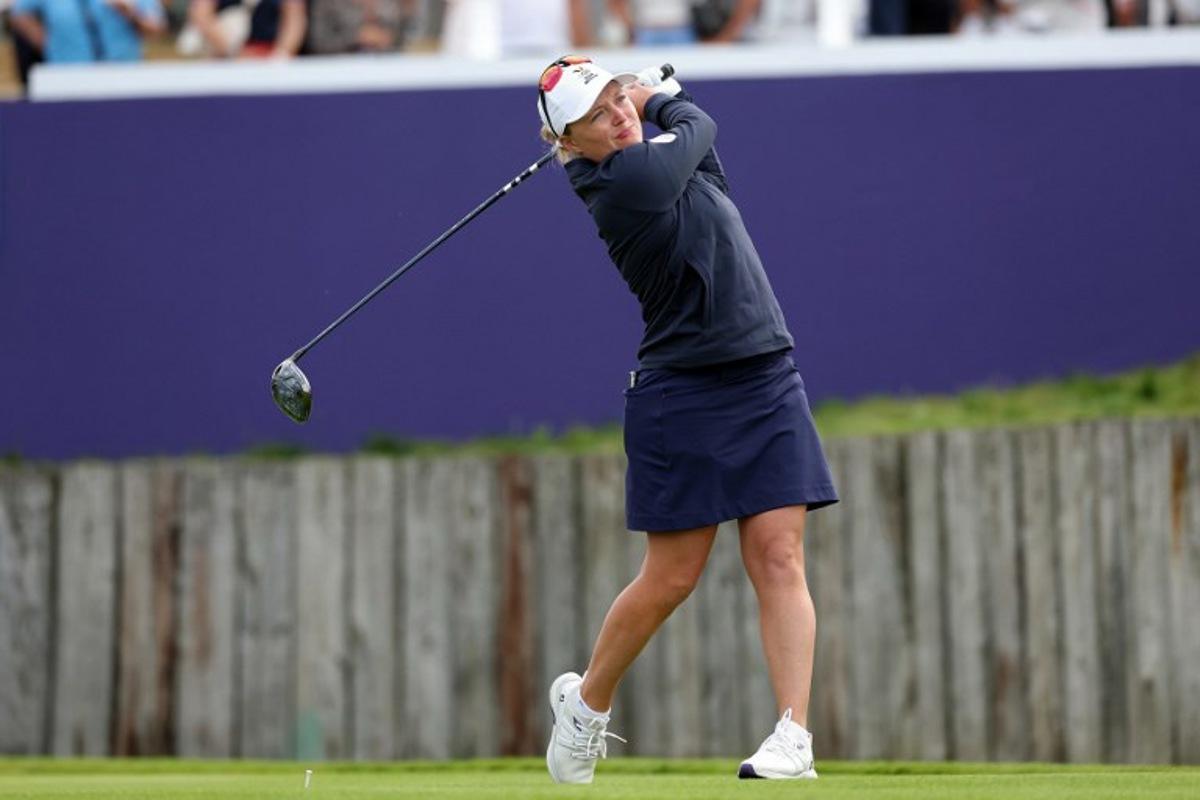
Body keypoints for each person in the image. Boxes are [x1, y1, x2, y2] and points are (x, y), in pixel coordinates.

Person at [535, 56, 838, 783]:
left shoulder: (671, 163)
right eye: (598, 113)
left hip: (765, 374)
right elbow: (700, 124)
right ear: (570, 144)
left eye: (616, 96)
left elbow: (696, 146)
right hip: (682, 392)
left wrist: (652, 101)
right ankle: (587, 706)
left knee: (779, 556)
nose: (617, 113)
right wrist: (664, 94)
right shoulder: (620, 186)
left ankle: (793, 736)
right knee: (673, 577)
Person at [9, 0, 163, 63]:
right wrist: (47, 44)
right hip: (67, 74)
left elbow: (156, 28)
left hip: (122, 72)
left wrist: (130, 12)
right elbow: (19, 14)